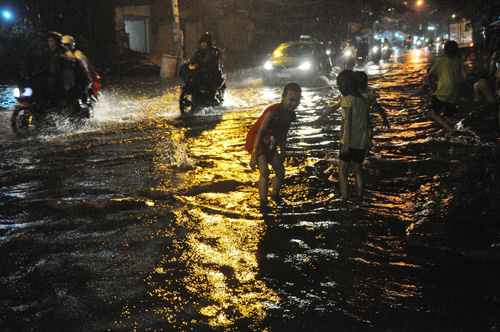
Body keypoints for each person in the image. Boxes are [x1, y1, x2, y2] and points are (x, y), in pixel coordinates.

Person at [245, 83, 302, 205]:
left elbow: (284, 134)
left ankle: (275, 196)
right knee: (265, 171)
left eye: (297, 101)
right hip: (257, 140)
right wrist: (254, 155)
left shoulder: (291, 115)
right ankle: (263, 202)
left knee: (280, 171)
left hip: (270, 141)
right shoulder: (273, 111)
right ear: (283, 97)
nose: (294, 104)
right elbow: (260, 131)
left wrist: (282, 151)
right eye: (291, 100)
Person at [337, 69, 371, 203]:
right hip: (361, 143)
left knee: (342, 170)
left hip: (349, 141)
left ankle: (344, 197)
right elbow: (367, 121)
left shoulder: (347, 100)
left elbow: (348, 122)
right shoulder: (363, 101)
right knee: (358, 170)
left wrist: (346, 142)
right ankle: (360, 195)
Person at [424, 40, 466, 133]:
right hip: (454, 92)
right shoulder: (459, 62)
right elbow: (464, 77)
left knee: (433, 113)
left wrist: (431, 88)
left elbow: (429, 75)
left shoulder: (441, 61)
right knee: (448, 115)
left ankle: (449, 129)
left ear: (444, 51)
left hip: (443, 92)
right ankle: (453, 130)